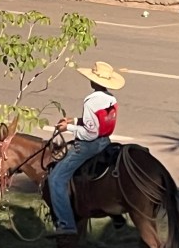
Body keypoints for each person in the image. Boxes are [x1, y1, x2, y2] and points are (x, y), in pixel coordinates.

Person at [46, 60, 125, 237]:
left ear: (93, 81)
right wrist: (74, 120)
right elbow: (97, 123)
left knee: (56, 179)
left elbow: (90, 133)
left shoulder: (91, 101)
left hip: (90, 145)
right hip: (105, 141)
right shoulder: (111, 99)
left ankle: (66, 224)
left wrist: (69, 128)